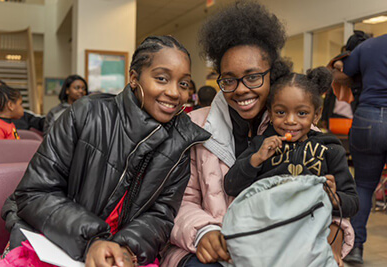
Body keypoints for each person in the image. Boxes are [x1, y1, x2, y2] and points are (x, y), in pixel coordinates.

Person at [161, 2, 354, 267]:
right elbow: (177, 201)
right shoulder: (193, 128)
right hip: (212, 253)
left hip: (284, 250)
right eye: (229, 79)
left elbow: (333, 202)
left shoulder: (306, 134)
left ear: (271, 75)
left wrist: (334, 234)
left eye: (253, 77)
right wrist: (203, 230)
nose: (240, 89)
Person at [0, 35, 210, 267]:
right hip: (53, 240)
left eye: (183, 83)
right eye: (161, 78)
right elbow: (34, 193)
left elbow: (161, 215)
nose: (174, 93)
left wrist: (125, 249)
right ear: (134, 78)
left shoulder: (181, 141)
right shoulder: (86, 114)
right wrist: (93, 241)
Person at [224, 66, 359, 219]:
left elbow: (353, 202)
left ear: (316, 115)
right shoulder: (261, 145)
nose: (290, 121)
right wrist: (256, 159)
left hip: (309, 232)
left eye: (302, 113)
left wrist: (334, 199)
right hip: (265, 229)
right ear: (270, 113)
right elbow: (231, 186)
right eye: (281, 112)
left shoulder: (330, 148)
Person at [332, 33, 387, 264]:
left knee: (364, 185)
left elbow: (343, 71)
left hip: (369, 117)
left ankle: (355, 249)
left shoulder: (368, 46)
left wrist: (337, 63)